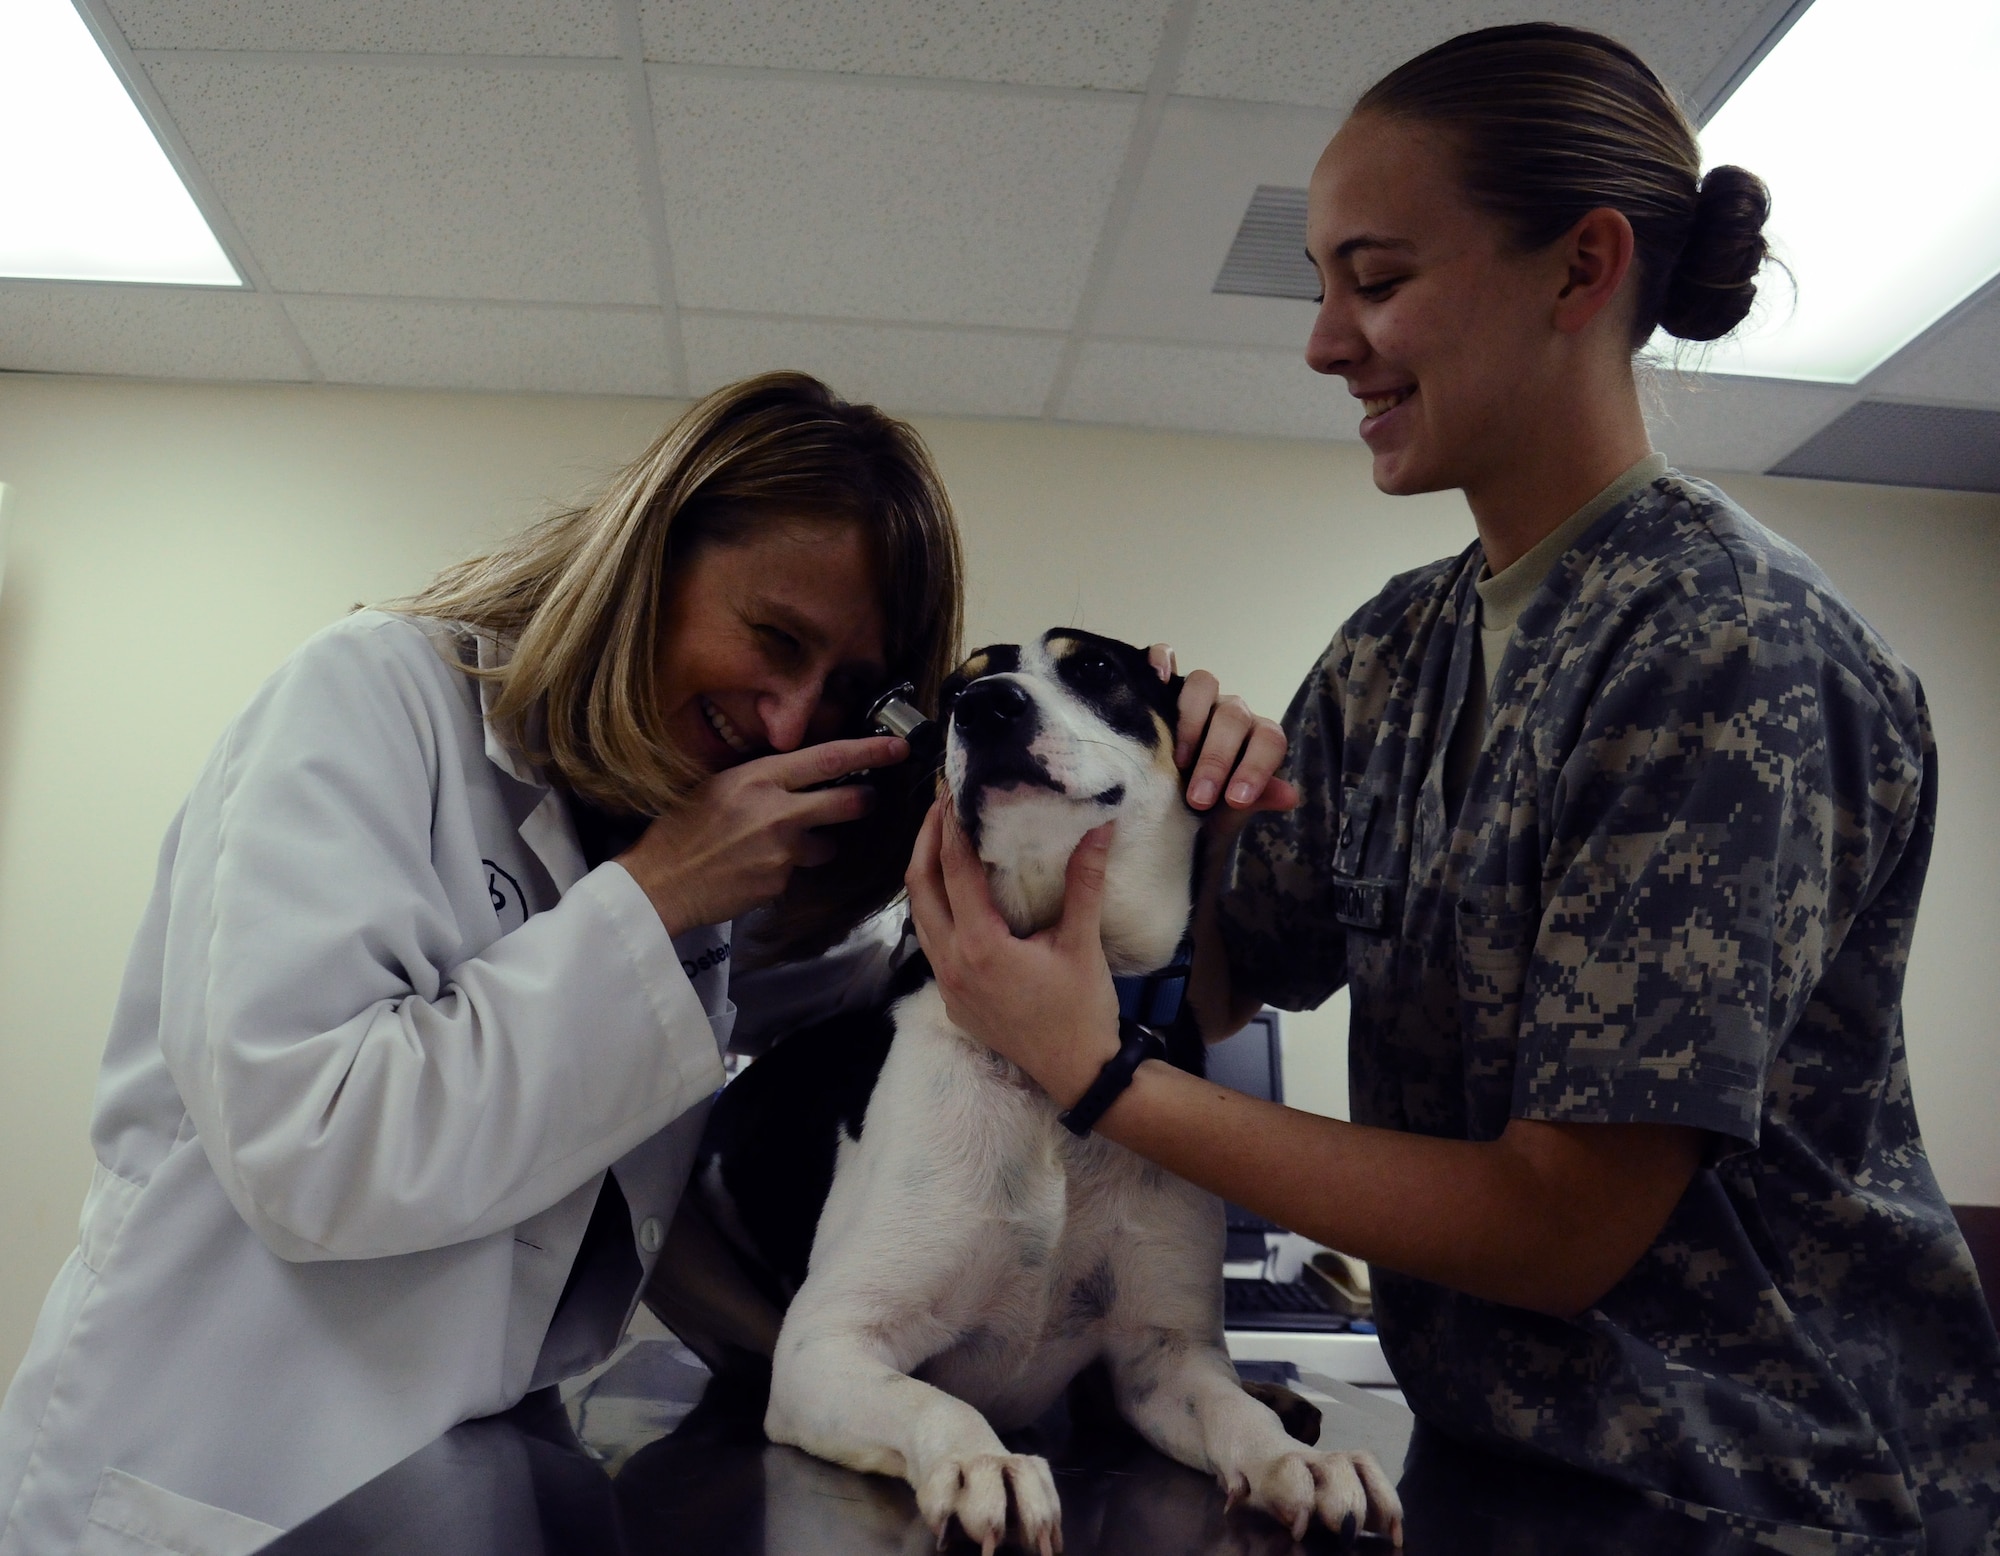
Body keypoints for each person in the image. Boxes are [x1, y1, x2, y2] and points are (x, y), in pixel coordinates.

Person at [907, 23, 2000, 1549]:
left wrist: (1103, 1079)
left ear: (1580, 268)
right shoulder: (1390, 660)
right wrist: (1137, 808)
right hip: (1498, 1468)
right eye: (1320, 287)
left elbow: (1561, 1229)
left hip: (1763, 1494)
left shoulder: (1727, 650)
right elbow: (1210, 980)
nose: (1323, 340)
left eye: (1378, 278)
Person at [0, 372, 968, 1553]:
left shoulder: (670, 848)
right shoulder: (374, 696)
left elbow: (891, 986)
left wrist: (1107, 774)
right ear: (647, 561)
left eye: (838, 693)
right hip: (216, 1484)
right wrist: (658, 892)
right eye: (772, 638)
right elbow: (314, 1145)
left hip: (447, 1486)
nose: (784, 720)